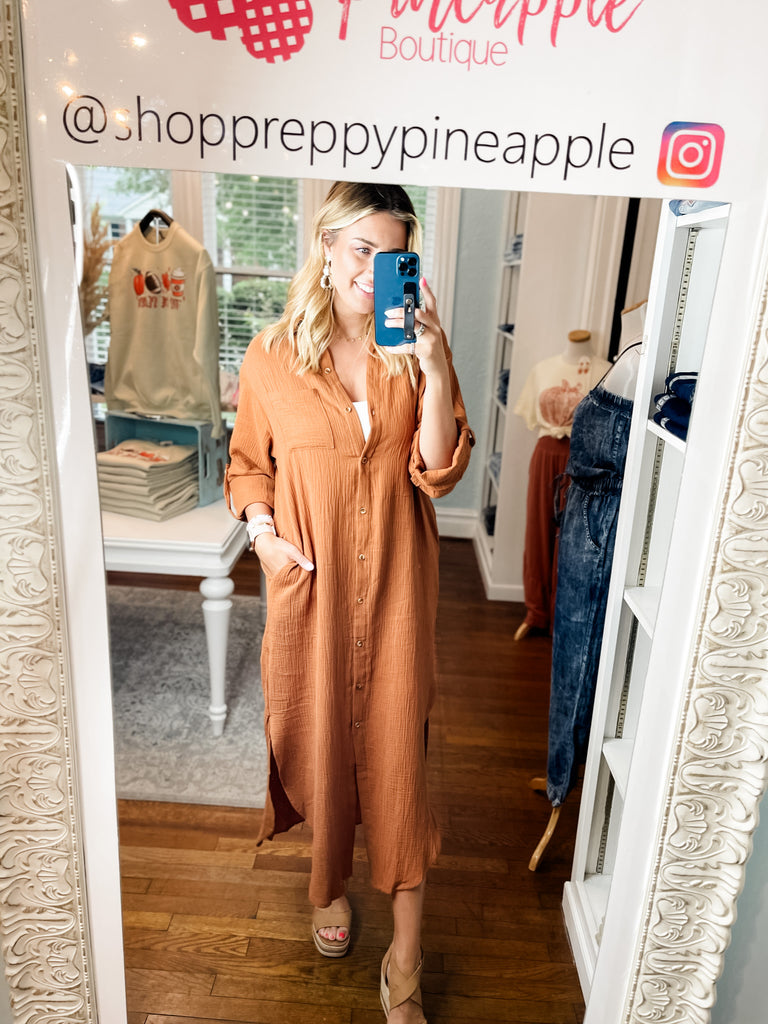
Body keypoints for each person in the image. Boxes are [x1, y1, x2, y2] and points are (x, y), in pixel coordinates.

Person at [224, 181, 474, 1024]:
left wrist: (435, 366)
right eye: (362, 249)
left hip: (397, 594)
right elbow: (248, 466)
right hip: (314, 594)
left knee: (401, 762)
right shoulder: (272, 355)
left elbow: (438, 471)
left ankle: (405, 961)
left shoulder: (415, 352)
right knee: (322, 743)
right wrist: (263, 535)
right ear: (326, 247)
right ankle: (326, 884)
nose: (375, 268)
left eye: (393, 254)